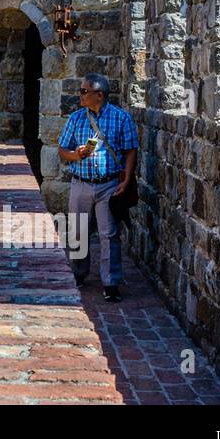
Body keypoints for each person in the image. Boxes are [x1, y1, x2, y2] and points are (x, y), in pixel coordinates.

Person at [57, 72, 138, 302]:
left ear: (99, 95)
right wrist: (75, 154)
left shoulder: (121, 118)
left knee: (109, 234)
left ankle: (111, 282)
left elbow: (131, 150)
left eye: (84, 91)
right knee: (78, 232)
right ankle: (79, 273)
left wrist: (126, 180)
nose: (80, 95)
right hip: (81, 183)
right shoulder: (76, 118)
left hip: (108, 184)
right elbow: (63, 149)